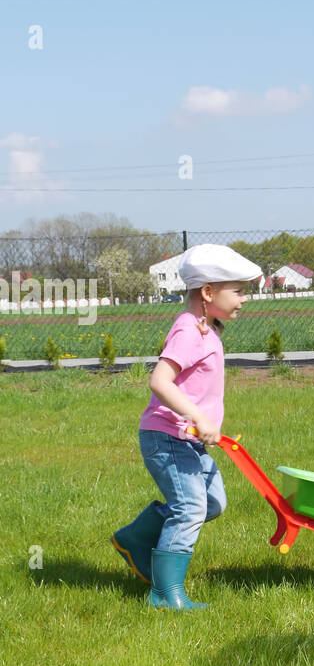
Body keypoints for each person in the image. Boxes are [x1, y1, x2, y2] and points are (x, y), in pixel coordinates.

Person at [111, 243, 263, 610]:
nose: (244, 299)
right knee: (191, 508)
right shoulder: (188, 331)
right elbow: (159, 381)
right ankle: (165, 595)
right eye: (238, 291)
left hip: (187, 440)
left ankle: (134, 539)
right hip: (167, 437)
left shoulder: (206, 329)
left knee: (213, 502)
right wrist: (198, 417)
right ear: (208, 293)